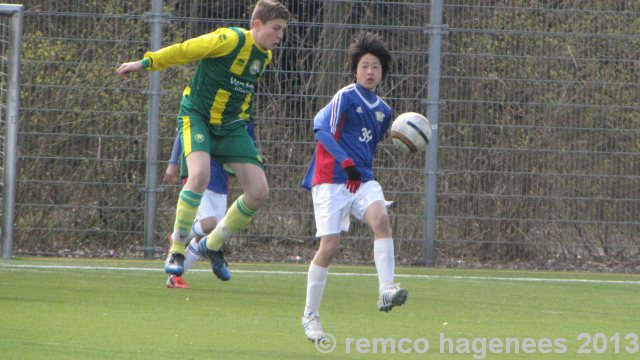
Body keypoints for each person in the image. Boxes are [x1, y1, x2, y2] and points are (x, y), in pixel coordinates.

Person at [118, 0, 290, 281]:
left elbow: (243, 98)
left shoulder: (264, 57)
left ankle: (212, 245)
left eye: (282, 30)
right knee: (199, 175)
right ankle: (176, 250)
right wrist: (144, 63)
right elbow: (184, 51)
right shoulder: (227, 39)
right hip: (197, 116)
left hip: (231, 126)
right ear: (257, 25)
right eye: (276, 28)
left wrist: (246, 144)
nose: (280, 36)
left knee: (259, 192)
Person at [300, 32, 407, 341]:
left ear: (383, 71)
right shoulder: (345, 96)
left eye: (375, 66)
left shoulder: (385, 112)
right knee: (330, 248)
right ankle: (310, 317)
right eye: (364, 66)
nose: (370, 72)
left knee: (381, 220)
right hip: (330, 179)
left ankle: (386, 290)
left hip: (361, 180)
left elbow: (374, 144)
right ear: (355, 69)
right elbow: (320, 130)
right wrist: (344, 160)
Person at [164, 122, 257, 289]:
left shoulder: (245, 118)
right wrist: (173, 162)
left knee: (211, 233)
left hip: (221, 184)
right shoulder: (210, 107)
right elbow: (184, 130)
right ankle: (178, 236)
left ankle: (175, 276)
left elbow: (249, 147)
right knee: (209, 223)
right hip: (199, 179)